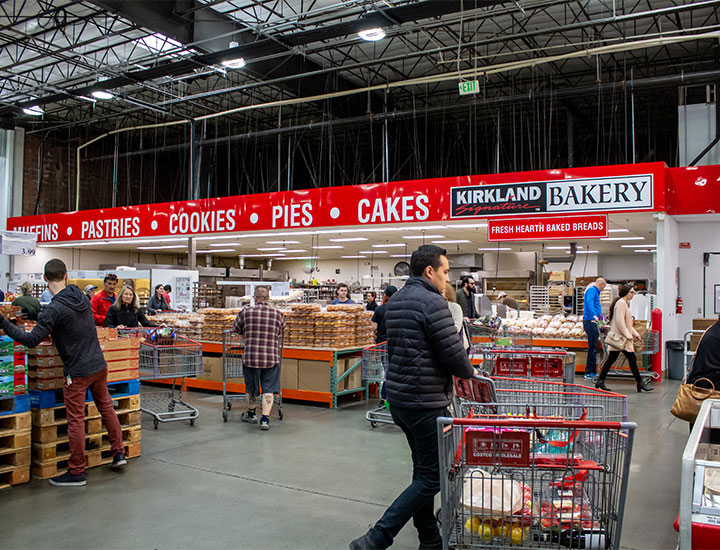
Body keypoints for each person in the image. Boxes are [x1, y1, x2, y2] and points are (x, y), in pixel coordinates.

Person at [350, 245, 474, 550]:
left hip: (401, 400)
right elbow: (453, 355)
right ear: (429, 271)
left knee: (422, 472)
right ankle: (376, 538)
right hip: (426, 401)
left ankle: (429, 539)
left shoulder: (398, 300)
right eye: (445, 271)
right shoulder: (433, 303)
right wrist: (471, 372)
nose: (447, 278)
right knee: (431, 479)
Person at [0, 259, 127, 486]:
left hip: (77, 372)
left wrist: (4, 322)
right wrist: (42, 321)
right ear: (66, 274)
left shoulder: (55, 309)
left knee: (75, 420)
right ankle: (119, 453)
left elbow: (31, 340)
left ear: (45, 278)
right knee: (106, 407)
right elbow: (70, 323)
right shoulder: (81, 297)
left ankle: (76, 471)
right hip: (98, 364)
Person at [231, 286, 285, 431]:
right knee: (269, 389)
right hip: (271, 357)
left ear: (255, 298)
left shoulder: (246, 312)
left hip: (251, 357)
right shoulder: (278, 314)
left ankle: (251, 414)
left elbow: (236, 328)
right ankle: (265, 419)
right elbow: (280, 331)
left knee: (251, 388)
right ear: (268, 298)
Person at [594, 285, 653, 393]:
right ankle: (640, 383)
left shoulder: (623, 303)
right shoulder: (621, 304)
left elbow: (627, 323)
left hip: (621, 338)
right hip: (621, 339)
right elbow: (620, 322)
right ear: (626, 293)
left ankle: (600, 380)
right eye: (631, 292)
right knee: (630, 359)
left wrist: (635, 334)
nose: (633, 294)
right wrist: (629, 335)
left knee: (614, 359)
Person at [582, 277, 607, 380]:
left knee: (594, 346)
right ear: (601, 285)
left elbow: (597, 308)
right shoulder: (592, 290)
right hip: (590, 321)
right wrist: (594, 316)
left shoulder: (596, 293)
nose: (603, 289)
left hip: (594, 321)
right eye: (604, 287)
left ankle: (591, 370)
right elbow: (589, 303)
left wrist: (603, 322)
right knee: (592, 346)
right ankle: (589, 371)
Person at [445, 283, 469, 350]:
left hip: (457, 346)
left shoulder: (455, 307)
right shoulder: (435, 307)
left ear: (447, 294)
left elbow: (457, 327)